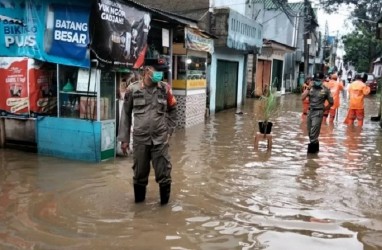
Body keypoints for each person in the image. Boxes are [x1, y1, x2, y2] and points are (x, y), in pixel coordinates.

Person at [118, 65, 177, 205]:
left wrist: (169, 131)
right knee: (139, 175)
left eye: (159, 72)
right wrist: (124, 139)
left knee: (164, 174)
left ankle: (164, 212)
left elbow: (173, 109)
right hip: (140, 140)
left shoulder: (165, 88)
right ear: (146, 72)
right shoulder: (133, 90)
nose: (158, 75)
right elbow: (125, 114)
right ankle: (139, 211)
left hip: (160, 139)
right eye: (155, 72)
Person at [301, 72, 334, 154]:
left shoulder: (325, 90)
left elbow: (331, 102)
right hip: (310, 111)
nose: (317, 81)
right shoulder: (310, 88)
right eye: (316, 80)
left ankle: (312, 156)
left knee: (313, 133)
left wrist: (324, 109)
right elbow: (302, 97)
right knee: (309, 132)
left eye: (319, 80)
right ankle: (315, 150)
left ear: (323, 80)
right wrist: (308, 88)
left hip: (318, 112)